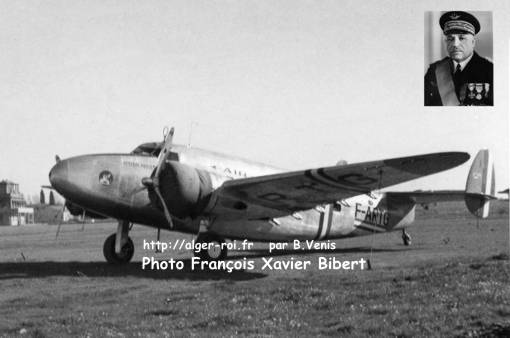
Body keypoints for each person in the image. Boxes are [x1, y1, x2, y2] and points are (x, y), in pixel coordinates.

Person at [425, 11, 493, 106]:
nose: (455, 44)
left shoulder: (490, 70)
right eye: (450, 39)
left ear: (473, 42)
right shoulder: (434, 70)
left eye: (461, 38)